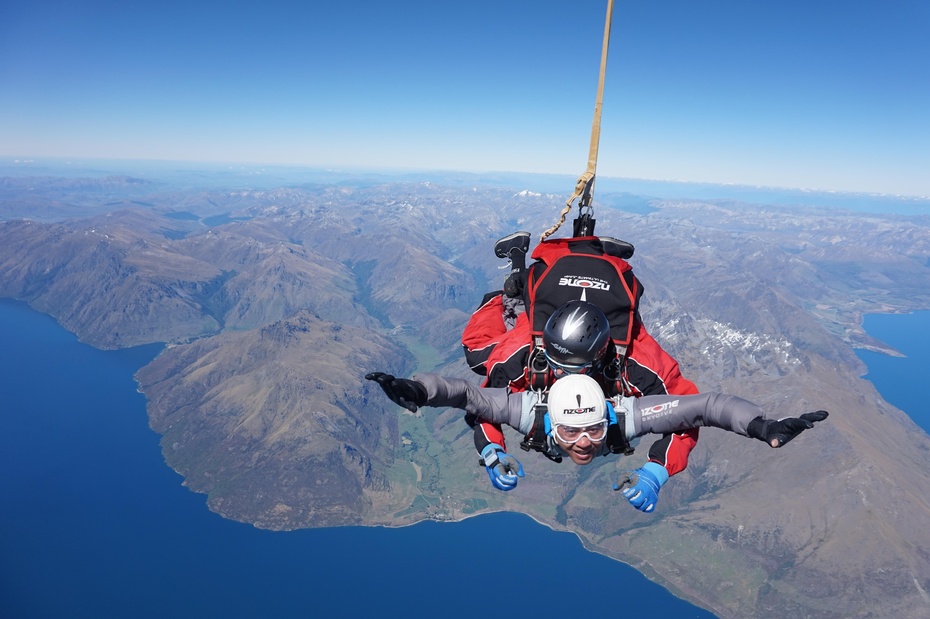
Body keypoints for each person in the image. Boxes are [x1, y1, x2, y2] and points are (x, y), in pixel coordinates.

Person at [366, 371, 829, 513]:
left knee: (676, 399)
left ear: (607, 415)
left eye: (593, 429)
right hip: (535, 392)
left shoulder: (625, 417)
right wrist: (420, 391)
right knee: (489, 358)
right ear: (551, 423)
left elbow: (704, 406)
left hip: (621, 400)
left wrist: (762, 427)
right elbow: (469, 397)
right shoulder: (529, 410)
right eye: (570, 431)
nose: (585, 443)